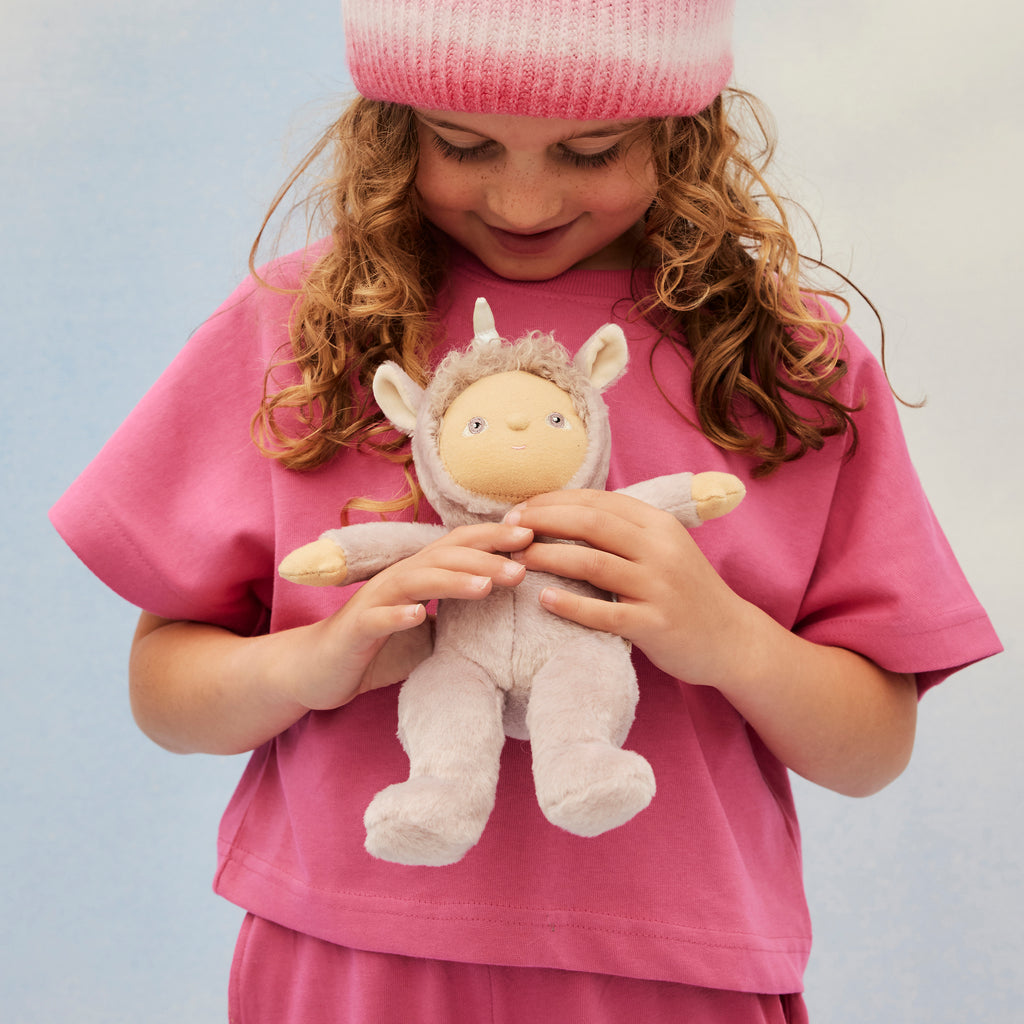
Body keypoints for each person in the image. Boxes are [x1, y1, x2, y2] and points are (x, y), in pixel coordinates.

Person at [50, 1, 1001, 1021]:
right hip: (348, 958)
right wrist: (312, 664)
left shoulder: (786, 363)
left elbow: (870, 748)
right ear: (395, 125)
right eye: (463, 143)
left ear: (683, 133)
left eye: (590, 150)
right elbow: (164, 688)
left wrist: (723, 637)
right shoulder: (299, 331)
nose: (523, 197)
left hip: (673, 974)